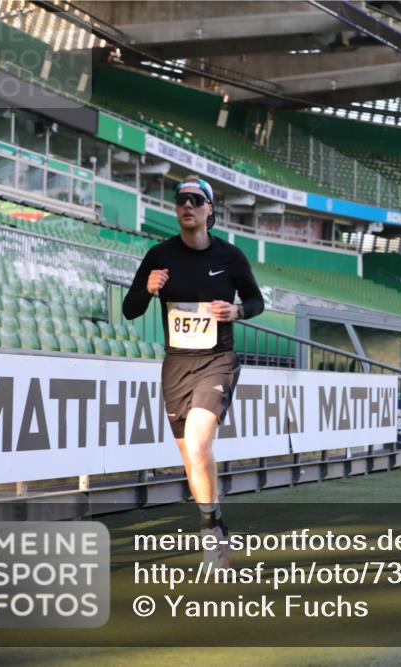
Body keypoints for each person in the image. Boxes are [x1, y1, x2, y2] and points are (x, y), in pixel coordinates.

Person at [123, 175, 264, 567]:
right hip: (176, 366)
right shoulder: (158, 256)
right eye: (181, 199)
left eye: (196, 200)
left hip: (217, 360)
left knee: (200, 445)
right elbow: (130, 310)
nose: (187, 205)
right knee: (191, 458)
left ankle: (209, 536)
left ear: (209, 210)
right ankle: (217, 526)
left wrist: (237, 311)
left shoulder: (230, 256)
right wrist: (146, 290)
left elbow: (255, 300)